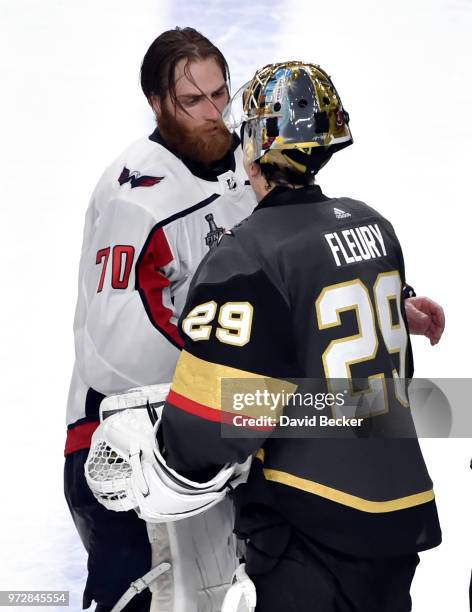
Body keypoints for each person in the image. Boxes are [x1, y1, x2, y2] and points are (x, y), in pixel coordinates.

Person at [65, 27, 444, 612]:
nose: (215, 114)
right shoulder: (133, 197)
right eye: (194, 101)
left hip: (259, 462)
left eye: (222, 94)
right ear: (157, 104)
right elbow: (112, 352)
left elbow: (291, 270)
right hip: (136, 443)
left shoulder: (248, 188)